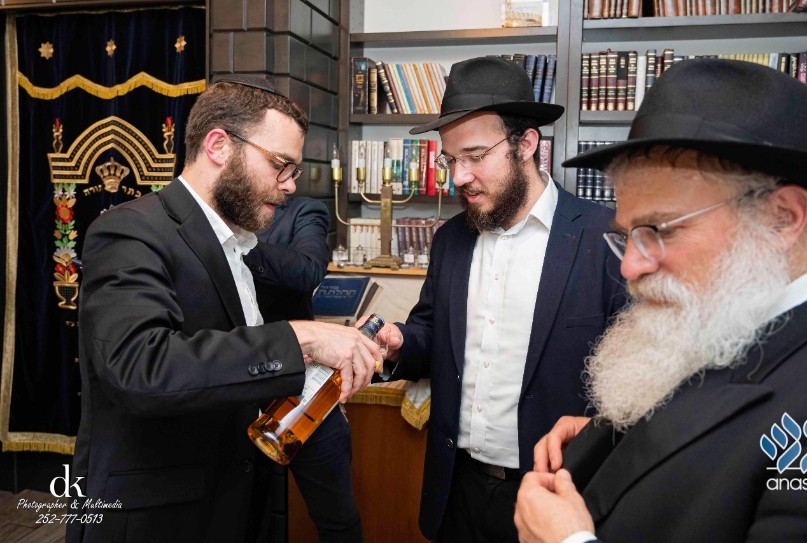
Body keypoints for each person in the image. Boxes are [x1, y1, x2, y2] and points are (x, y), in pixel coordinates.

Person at [514, 58, 807, 542]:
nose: (629, 267)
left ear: (782, 217)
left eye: (660, 230)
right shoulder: (728, 316)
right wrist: (606, 441)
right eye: (628, 236)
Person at [70, 75, 381, 543]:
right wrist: (304, 337)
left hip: (233, 500)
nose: (289, 185)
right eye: (280, 165)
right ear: (218, 145)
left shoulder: (238, 241)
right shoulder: (131, 230)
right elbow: (140, 368)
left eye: (293, 171)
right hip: (160, 518)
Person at [372, 56, 627, 542]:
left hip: (556, 494)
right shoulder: (451, 239)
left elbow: (636, 387)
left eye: (474, 156)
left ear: (526, 144)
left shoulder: (604, 238)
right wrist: (399, 343)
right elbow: (432, 334)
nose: (458, 177)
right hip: (458, 491)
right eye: (451, 160)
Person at [245, 196, 364, 542]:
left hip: (302, 389)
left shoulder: (302, 211)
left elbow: (308, 270)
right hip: (233, 388)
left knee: (337, 517)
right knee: (243, 516)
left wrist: (236, 245)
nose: (289, 182)